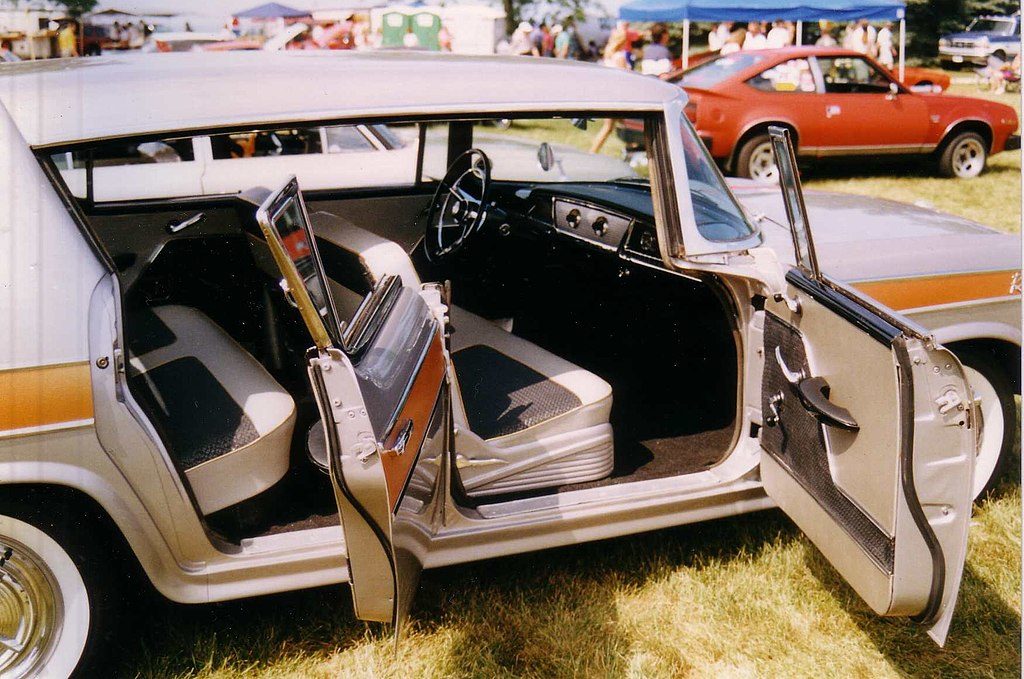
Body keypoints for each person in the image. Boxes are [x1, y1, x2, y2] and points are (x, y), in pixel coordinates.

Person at [589, 30, 631, 153]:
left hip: (610, 93)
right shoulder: (620, 57)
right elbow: (626, 78)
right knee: (608, 127)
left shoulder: (608, 55)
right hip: (618, 95)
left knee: (622, 124)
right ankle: (592, 152)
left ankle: (632, 148)